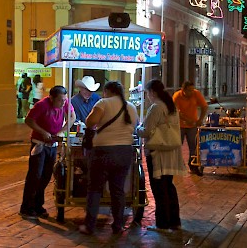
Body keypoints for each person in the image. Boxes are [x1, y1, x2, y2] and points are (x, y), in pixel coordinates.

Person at [79, 81, 138, 235]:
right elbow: (134, 126)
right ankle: (117, 226)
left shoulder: (103, 103)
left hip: (103, 151)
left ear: (107, 91)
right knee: (118, 190)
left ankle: (89, 225)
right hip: (125, 151)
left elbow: (90, 122)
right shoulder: (130, 107)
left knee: (95, 189)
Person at [137, 79, 186, 232]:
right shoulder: (170, 105)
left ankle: (162, 223)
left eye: (147, 93)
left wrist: (138, 128)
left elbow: (146, 130)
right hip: (170, 152)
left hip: (158, 153)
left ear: (153, 92)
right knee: (169, 186)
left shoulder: (156, 107)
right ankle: (174, 221)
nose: (147, 96)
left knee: (159, 188)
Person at [19, 85, 76, 220]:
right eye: (60, 100)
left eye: (64, 100)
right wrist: (43, 132)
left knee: (46, 176)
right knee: (35, 176)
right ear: (51, 98)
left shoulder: (65, 103)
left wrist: (61, 131)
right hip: (39, 144)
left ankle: (38, 205)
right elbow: (29, 120)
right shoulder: (42, 105)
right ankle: (27, 207)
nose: (63, 103)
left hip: (52, 144)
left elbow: (72, 116)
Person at [173, 81, 208, 175]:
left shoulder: (196, 93)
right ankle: (178, 165)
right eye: (189, 90)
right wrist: (187, 120)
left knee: (193, 146)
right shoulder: (177, 96)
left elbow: (204, 106)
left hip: (192, 125)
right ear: (183, 90)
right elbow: (175, 111)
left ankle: (193, 165)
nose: (191, 92)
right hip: (179, 125)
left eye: (192, 90)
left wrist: (200, 119)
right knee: (177, 145)